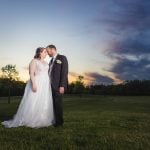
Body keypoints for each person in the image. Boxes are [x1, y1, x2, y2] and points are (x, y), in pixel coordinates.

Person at [2, 47, 55, 128]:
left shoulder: (45, 62)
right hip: (37, 82)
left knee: (43, 100)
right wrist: (34, 84)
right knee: (34, 100)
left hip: (45, 84)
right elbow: (31, 73)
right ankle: (29, 118)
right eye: (44, 52)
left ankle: (41, 118)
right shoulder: (34, 61)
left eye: (46, 52)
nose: (46, 53)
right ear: (39, 53)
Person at [46, 45, 68, 127]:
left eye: (48, 51)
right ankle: (54, 120)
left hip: (58, 86)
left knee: (58, 104)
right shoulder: (51, 61)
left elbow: (64, 72)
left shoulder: (62, 58)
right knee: (53, 104)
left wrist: (62, 85)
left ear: (52, 49)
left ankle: (59, 123)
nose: (47, 53)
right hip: (50, 86)